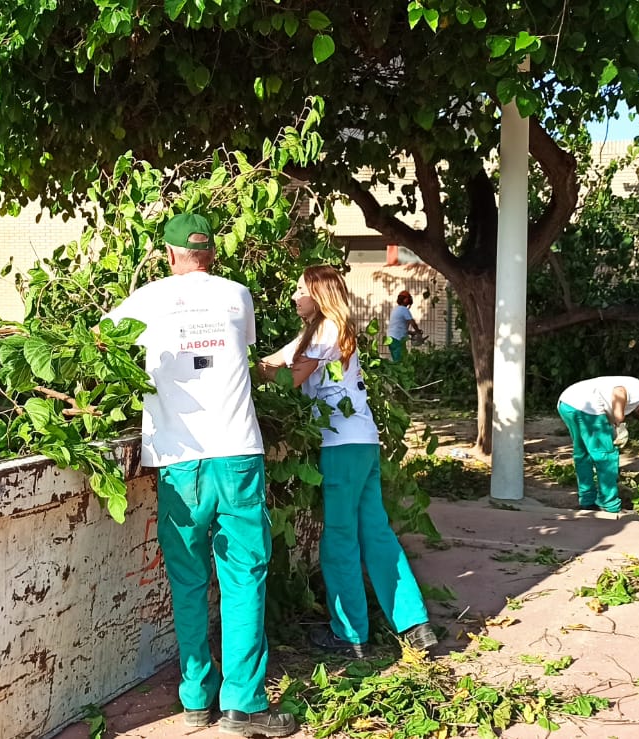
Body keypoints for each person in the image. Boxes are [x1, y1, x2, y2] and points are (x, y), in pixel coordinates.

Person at [103, 213, 297, 737]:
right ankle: (243, 704)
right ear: (211, 253)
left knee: (187, 580)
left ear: (169, 255)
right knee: (244, 577)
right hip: (236, 453)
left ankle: (195, 699)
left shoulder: (145, 300)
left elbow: (99, 344)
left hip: (177, 461)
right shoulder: (238, 295)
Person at [260, 266, 438, 659]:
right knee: (375, 532)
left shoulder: (324, 331)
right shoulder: (321, 331)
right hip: (364, 442)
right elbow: (276, 360)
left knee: (339, 538)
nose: (294, 297)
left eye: (300, 289)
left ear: (319, 295)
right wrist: (262, 363)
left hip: (340, 445)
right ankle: (414, 624)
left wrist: (254, 370)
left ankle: (350, 633)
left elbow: (288, 378)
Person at [556, 376, 639, 514]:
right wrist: (619, 420)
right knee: (606, 457)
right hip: (588, 408)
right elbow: (619, 392)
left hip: (567, 403)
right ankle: (609, 505)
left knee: (583, 454)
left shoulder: (630, 394)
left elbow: (609, 410)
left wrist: (613, 428)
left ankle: (587, 501)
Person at [386, 291, 422, 362]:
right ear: (405, 300)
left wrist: (411, 333)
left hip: (391, 338)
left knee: (397, 359)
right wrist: (418, 332)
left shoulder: (395, 309)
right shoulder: (404, 310)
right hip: (397, 339)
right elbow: (413, 323)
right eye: (408, 299)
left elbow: (398, 327)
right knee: (401, 361)